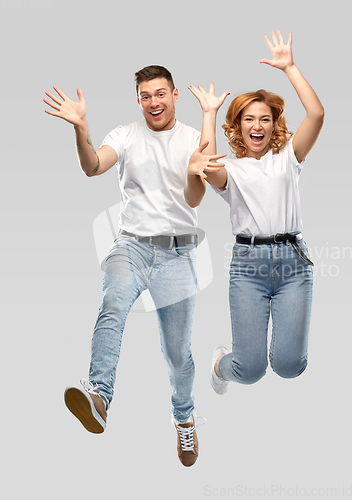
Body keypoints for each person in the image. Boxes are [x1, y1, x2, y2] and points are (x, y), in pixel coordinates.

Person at [44, 65, 227, 467]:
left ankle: (184, 417)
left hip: (179, 254)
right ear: (139, 100)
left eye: (160, 94)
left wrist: (210, 115)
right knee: (112, 308)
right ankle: (99, 396)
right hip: (132, 246)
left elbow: (205, 176)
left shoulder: (193, 138)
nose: (153, 102)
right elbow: (93, 166)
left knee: (178, 355)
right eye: (146, 96)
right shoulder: (124, 136)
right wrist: (80, 126)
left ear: (175, 95)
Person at [186, 30, 324, 395]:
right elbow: (206, 163)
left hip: (294, 262)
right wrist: (209, 113)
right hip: (249, 266)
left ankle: (279, 358)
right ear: (237, 128)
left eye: (265, 119)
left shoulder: (288, 158)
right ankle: (220, 364)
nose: (257, 126)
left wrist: (290, 67)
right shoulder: (232, 172)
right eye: (249, 119)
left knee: (290, 367)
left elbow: (317, 113)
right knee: (249, 371)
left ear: (274, 125)